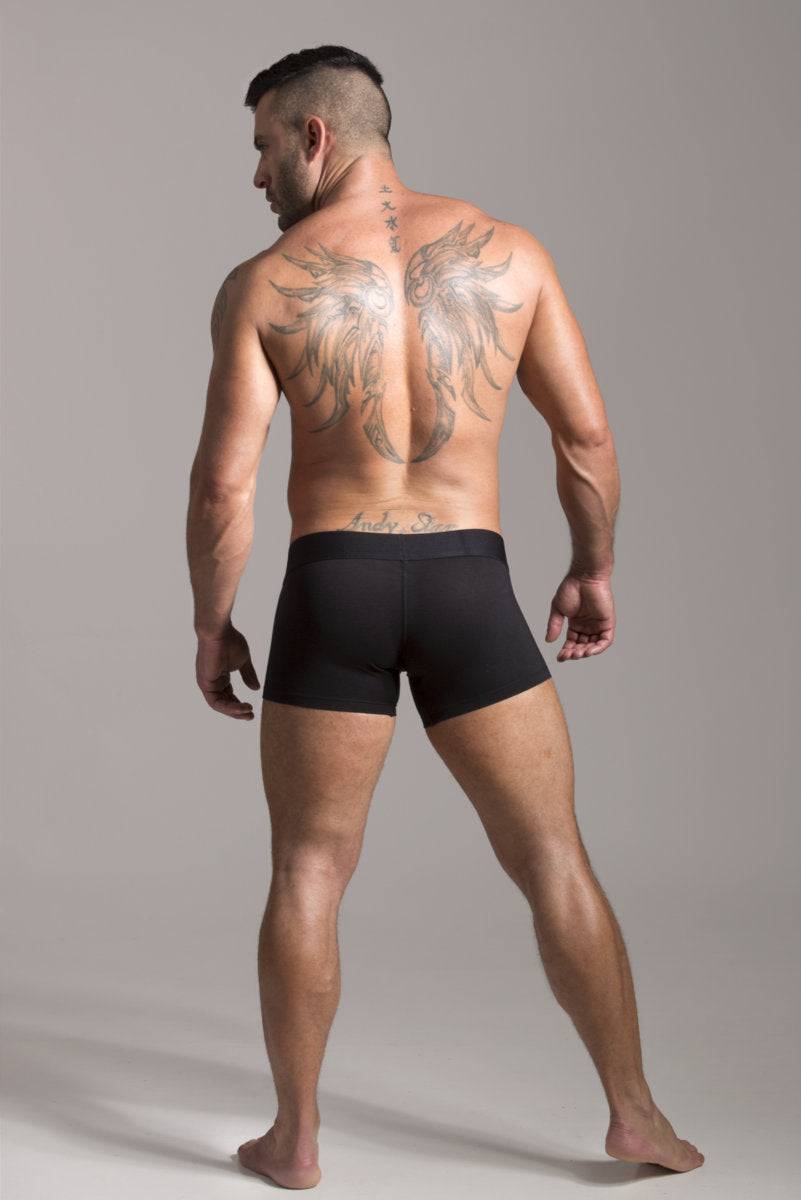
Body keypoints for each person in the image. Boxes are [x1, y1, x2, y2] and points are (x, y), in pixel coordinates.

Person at [185, 43, 704, 1191]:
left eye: (265, 147)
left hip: (336, 584)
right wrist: (593, 567)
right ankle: (636, 1116)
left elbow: (224, 488)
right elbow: (587, 439)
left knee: (308, 870)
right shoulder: (511, 255)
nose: (257, 175)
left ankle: (295, 1139)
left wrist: (212, 623)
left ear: (315, 136)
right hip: (472, 581)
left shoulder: (264, 283)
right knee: (553, 856)